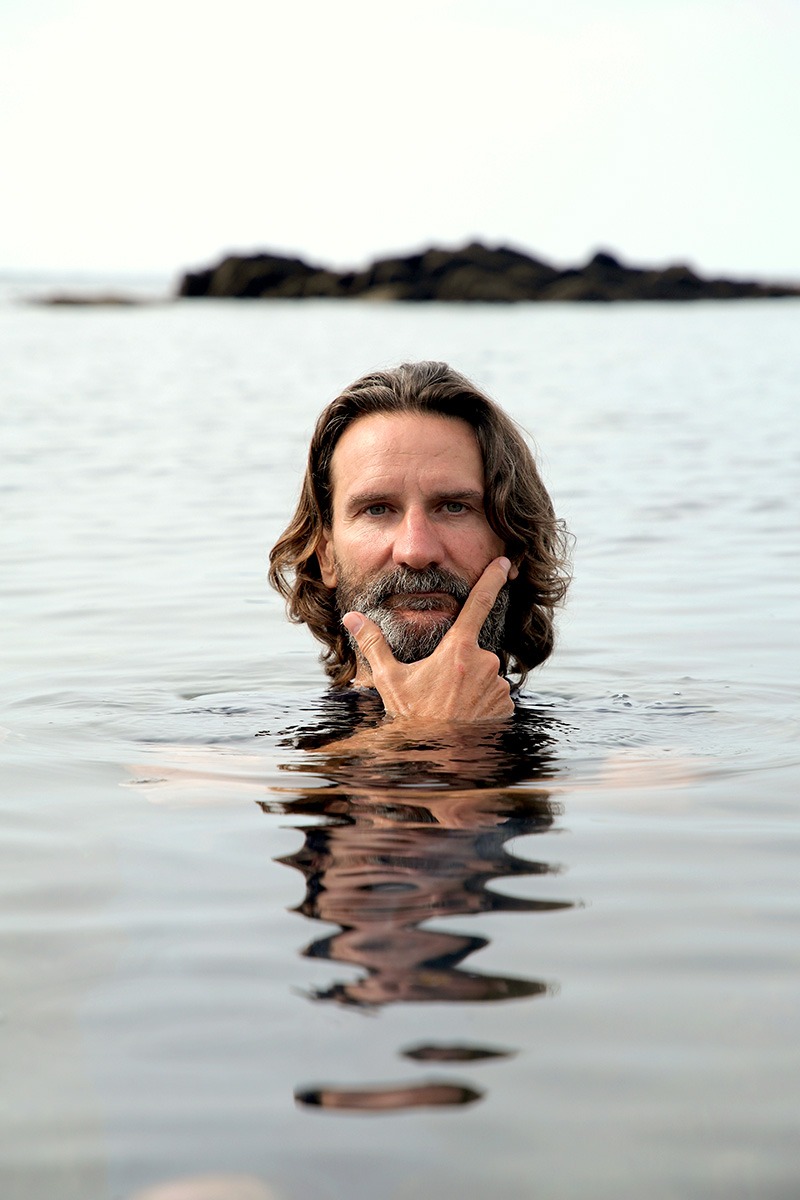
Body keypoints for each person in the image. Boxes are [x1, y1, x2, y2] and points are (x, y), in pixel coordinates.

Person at [269, 361, 571, 723]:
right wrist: (426, 731)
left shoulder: (613, 747)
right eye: (377, 509)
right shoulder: (242, 745)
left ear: (514, 545)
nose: (415, 551)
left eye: (454, 507)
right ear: (326, 557)